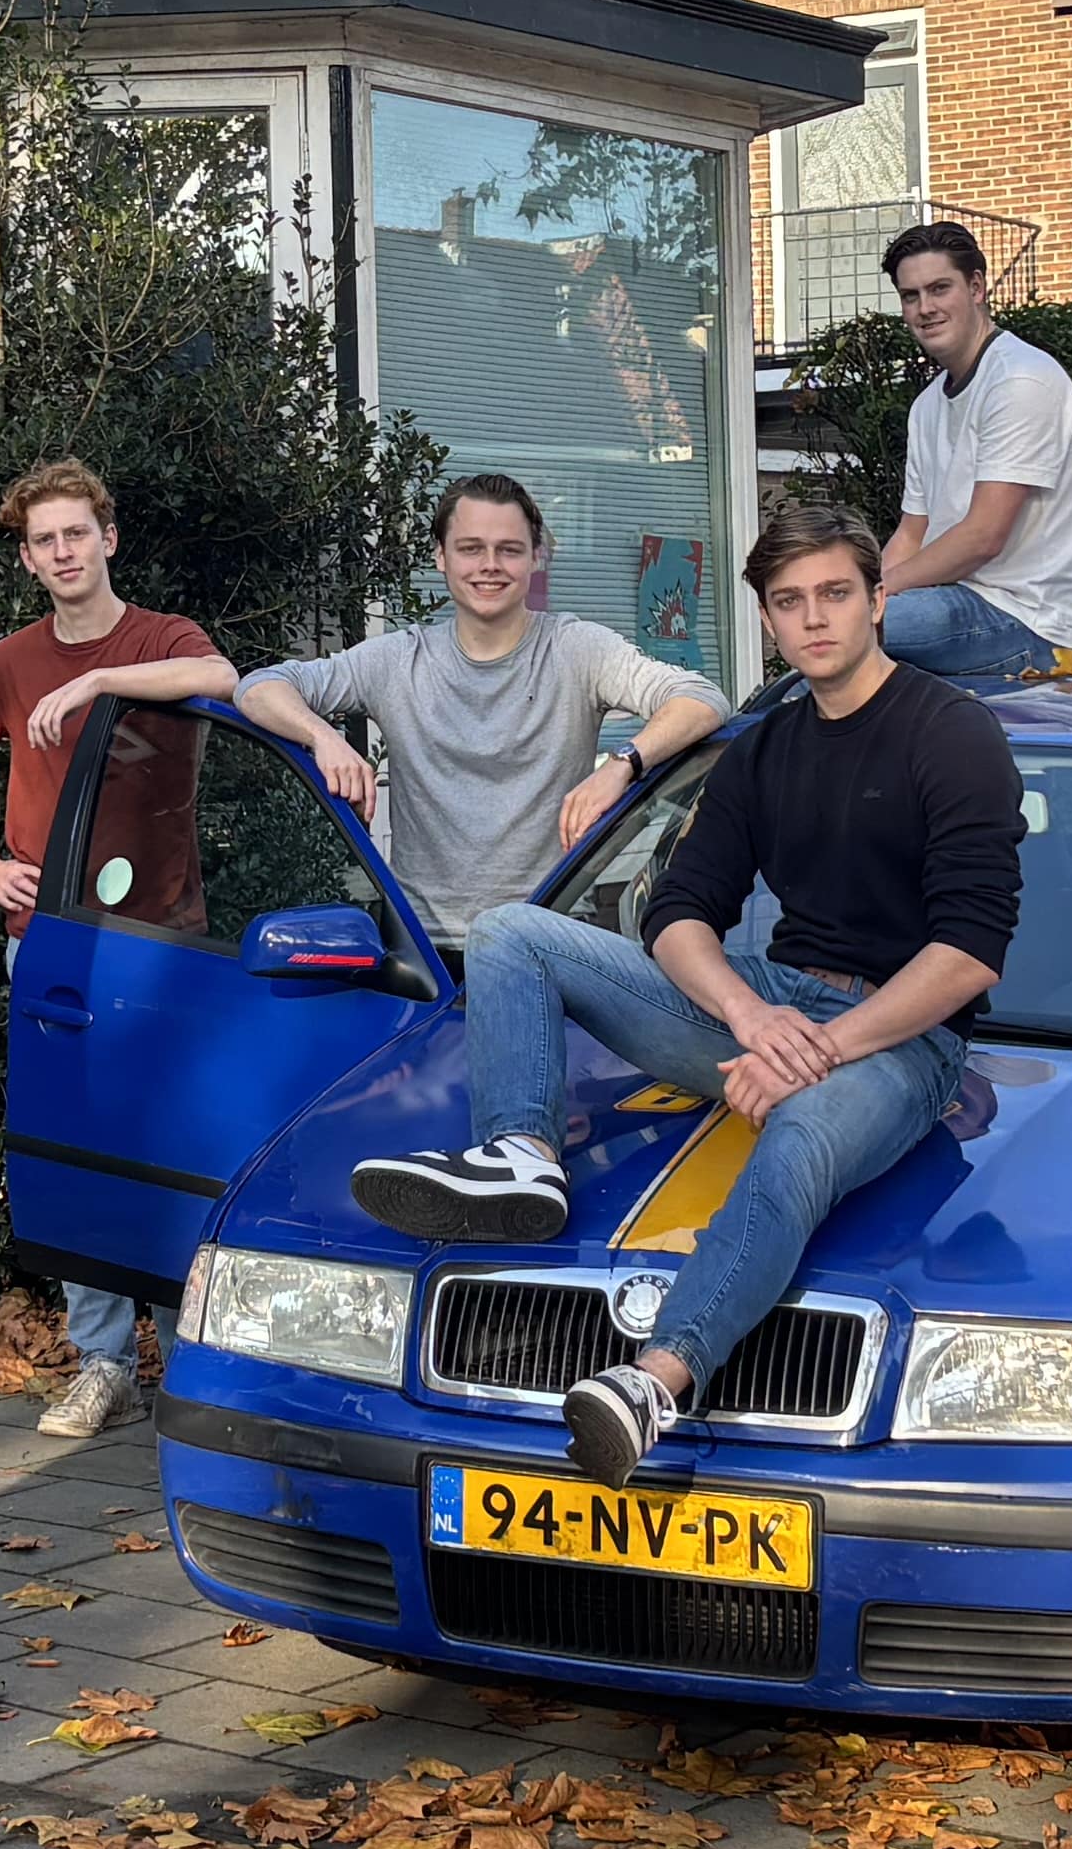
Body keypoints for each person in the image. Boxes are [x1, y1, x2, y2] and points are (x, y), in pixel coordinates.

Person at [345, 501, 1023, 1481]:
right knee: (510, 934)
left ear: (879, 600)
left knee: (800, 1136)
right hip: (772, 1003)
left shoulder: (950, 733)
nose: (815, 617)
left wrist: (816, 1052)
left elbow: (968, 952)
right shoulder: (764, 746)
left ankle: (653, 1380)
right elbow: (677, 911)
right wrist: (752, 1018)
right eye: (789, 601)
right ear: (769, 620)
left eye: (836, 593)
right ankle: (523, 1154)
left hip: (903, 1040)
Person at [0, 461, 220, 1442]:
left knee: (170, 1152)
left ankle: (186, 1366)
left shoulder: (159, 639)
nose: (63, 552)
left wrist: (99, 680)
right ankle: (104, 1365)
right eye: (44, 540)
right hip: (53, 947)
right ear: (27, 558)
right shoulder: (9, 663)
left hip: (164, 945)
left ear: (108, 539)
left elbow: (220, 679)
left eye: (76, 534)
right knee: (78, 1157)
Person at [188, 475, 731, 923]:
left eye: (509, 550)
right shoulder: (397, 660)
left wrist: (623, 764)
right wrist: (322, 737)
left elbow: (702, 698)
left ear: (536, 558)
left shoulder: (577, 649)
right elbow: (258, 688)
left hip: (554, 936)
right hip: (424, 952)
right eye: (471, 548)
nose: (489, 565)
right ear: (441, 557)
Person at [870, 223, 1072, 683]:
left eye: (939, 289)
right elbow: (912, 532)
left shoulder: (1020, 380)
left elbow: (983, 536)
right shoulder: (927, 405)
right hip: (952, 602)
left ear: (976, 287)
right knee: (832, 629)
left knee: (838, 626)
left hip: (1028, 623)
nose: (925, 308)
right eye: (911, 296)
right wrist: (867, 593)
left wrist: (868, 600)